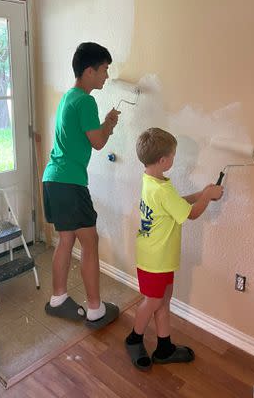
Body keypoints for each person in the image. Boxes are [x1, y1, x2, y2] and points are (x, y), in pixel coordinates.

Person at [125, 127, 223, 370]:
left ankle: (164, 347)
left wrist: (201, 193)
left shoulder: (152, 179)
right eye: (173, 155)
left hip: (159, 256)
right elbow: (191, 214)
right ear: (163, 160)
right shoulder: (162, 188)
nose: (174, 159)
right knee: (153, 301)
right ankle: (134, 338)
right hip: (154, 259)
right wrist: (208, 197)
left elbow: (176, 204)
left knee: (163, 299)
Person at [42, 42, 121, 329]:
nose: (106, 76)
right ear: (89, 71)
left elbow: (85, 136)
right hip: (70, 182)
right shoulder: (86, 101)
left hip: (53, 178)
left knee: (66, 239)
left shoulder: (69, 97)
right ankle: (95, 310)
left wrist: (105, 123)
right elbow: (98, 142)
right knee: (90, 241)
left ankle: (58, 300)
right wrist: (110, 124)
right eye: (104, 70)